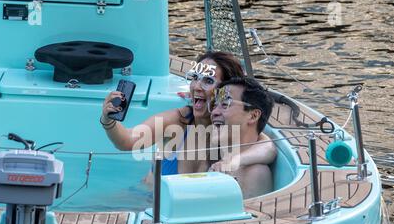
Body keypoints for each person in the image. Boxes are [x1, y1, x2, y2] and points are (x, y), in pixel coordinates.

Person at [100, 51, 276, 178]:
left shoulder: (228, 132)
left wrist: (234, 160)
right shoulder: (178, 120)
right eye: (194, 78)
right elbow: (127, 141)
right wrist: (108, 120)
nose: (196, 86)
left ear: (225, 91)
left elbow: (268, 148)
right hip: (145, 199)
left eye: (208, 81)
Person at [209, 76, 276, 199]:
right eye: (214, 105)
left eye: (225, 105)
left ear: (253, 115)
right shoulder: (220, 155)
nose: (214, 112)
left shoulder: (254, 173)